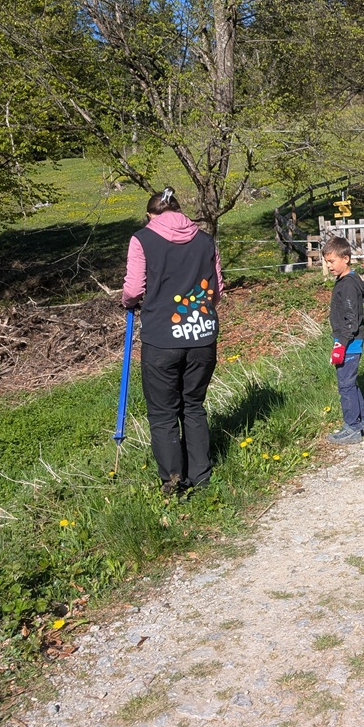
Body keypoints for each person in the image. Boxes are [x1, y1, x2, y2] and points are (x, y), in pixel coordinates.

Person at [122, 187, 224, 497]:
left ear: (151, 216)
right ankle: (202, 477)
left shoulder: (142, 239)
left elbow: (134, 289)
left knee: (163, 413)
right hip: (202, 336)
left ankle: (174, 481)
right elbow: (217, 289)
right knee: (193, 406)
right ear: (180, 212)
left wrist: (128, 302)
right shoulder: (205, 240)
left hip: (162, 340)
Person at [322, 235, 364, 444]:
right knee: (350, 383)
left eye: (332, 261)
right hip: (349, 341)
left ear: (346, 258)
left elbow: (352, 319)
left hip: (349, 342)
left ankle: (351, 427)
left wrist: (340, 344)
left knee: (345, 385)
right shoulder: (346, 281)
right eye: (327, 262)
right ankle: (363, 422)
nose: (329, 266)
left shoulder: (349, 285)